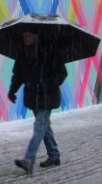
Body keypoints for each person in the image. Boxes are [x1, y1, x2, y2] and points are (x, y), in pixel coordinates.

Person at [7, 29, 67, 174]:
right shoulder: (23, 54)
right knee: (44, 127)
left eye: (29, 33)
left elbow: (62, 73)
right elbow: (18, 75)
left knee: (39, 125)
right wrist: (12, 91)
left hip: (47, 96)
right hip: (33, 96)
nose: (25, 36)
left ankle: (28, 159)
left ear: (36, 35)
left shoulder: (50, 52)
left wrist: (46, 84)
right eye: (24, 33)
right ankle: (54, 156)